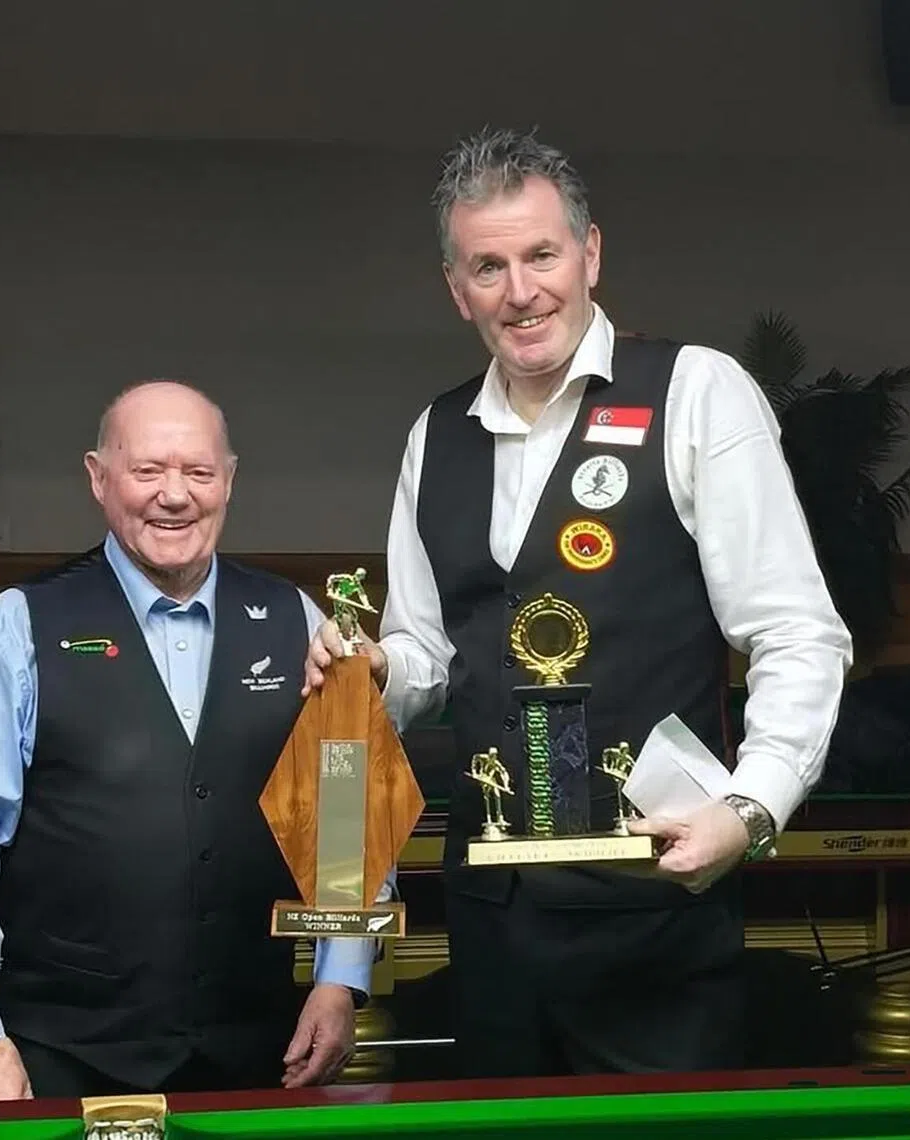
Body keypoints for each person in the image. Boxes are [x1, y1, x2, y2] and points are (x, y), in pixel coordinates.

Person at [304, 128, 852, 1076]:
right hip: (492, 921)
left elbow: (797, 632)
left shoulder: (696, 392)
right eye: (489, 266)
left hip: (656, 908)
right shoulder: (436, 436)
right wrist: (379, 667)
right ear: (456, 287)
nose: (520, 292)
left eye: (541, 255)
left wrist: (751, 807)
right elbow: (430, 658)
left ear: (590, 254)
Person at [0, 380, 379, 1101]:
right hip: (60, 1057)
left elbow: (345, 819)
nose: (173, 495)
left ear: (229, 481)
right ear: (98, 478)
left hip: (259, 1051)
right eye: (147, 471)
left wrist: (341, 978)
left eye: (198, 472)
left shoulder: (297, 619)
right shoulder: (15, 628)